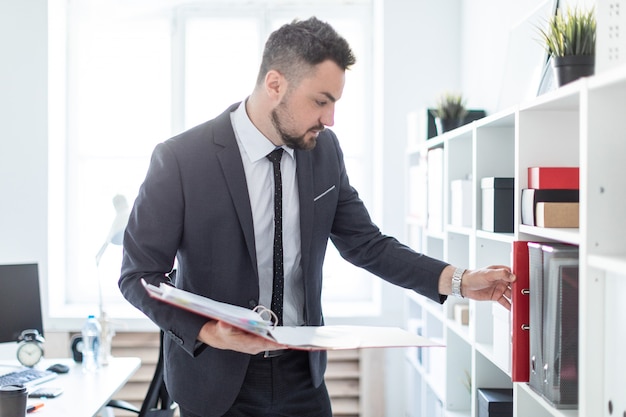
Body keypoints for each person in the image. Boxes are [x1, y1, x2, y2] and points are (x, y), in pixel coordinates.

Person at [119, 17, 515, 417]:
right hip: (214, 382)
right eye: (321, 101)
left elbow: (367, 244)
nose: (330, 119)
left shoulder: (324, 152)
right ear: (275, 85)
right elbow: (138, 275)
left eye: (335, 103)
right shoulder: (182, 159)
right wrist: (208, 332)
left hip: (301, 379)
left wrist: (463, 281)